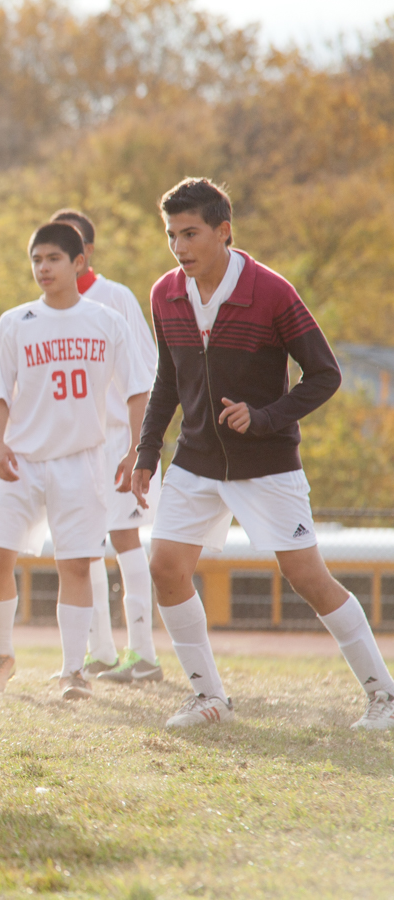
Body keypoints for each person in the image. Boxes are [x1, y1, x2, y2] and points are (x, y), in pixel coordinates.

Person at [132, 178, 394, 730]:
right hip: (196, 460)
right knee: (165, 566)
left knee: (307, 578)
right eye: (171, 235)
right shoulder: (164, 294)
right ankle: (208, 698)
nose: (180, 247)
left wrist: (266, 417)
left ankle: (383, 696)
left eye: (191, 233)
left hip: (267, 464)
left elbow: (325, 374)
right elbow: (167, 380)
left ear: (223, 232)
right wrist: (147, 453)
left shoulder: (272, 291)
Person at [0, 222, 151, 700]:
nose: (43, 268)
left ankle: (73, 670)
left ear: (79, 263)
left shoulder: (106, 320)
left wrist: (135, 448)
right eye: (36, 259)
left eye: (53, 258)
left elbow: (139, 390)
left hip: (82, 460)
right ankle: (1, 653)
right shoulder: (15, 321)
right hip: (22, 459)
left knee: (76, 565)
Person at [49, 209, 163, 683]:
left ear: (86, 252)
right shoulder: (49, 306)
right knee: (83, 545)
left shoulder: (114, 297)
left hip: (120, 436)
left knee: (124, 539)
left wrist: (140, 442)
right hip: (75, 444)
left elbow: (149, 369)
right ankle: (100, 653)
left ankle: (144, 654)